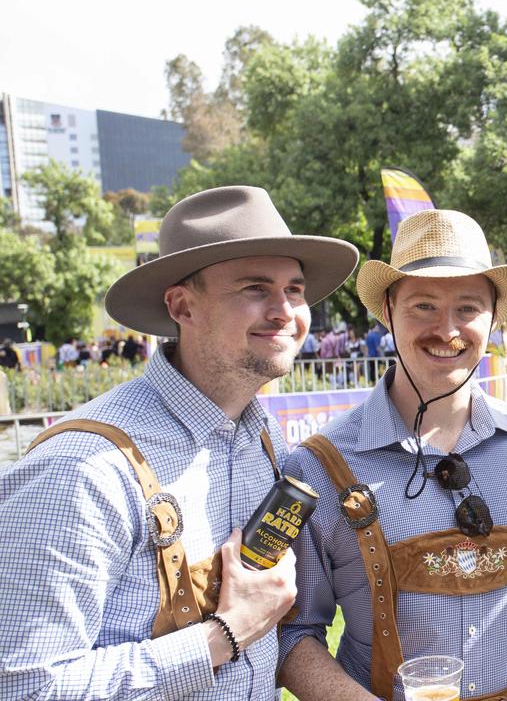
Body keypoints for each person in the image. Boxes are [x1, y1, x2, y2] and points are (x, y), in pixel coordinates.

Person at [0, 185, 359, 699]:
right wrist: (223, 636)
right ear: (182, 307)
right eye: (255, 288)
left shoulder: (264, 439)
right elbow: (23, 686)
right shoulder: (82, 468)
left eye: (295, 290)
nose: (285, 311)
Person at [278, 209, 507, 701]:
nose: (447, 330)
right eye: (423, 306)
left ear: (494, 318)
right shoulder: (317, 467)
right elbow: (292, 633)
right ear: (387, 311)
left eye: (468, 308)